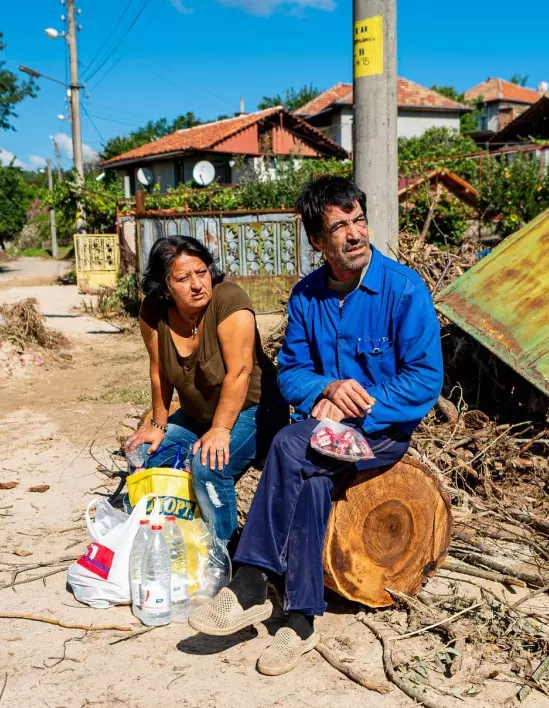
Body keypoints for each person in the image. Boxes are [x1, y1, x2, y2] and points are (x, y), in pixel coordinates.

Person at [189, 176, 444, 676]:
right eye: (339, 227)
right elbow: (291, 372)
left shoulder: (404, 290)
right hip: (323, 436)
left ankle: (251, 579)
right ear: (317, 242)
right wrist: (326, 390)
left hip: (380, 434)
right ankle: (302, 620)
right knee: (311, 477)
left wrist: (360, 404)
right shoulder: (306, 296)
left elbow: (425, 379)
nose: (354, 234)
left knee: (288, 442)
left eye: (359, 220)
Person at [124, 235, 286, 543]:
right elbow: (159, 370)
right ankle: (164, 537)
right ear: (165, 286)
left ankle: (219, 551)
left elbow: (240, 371)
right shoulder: (153, 311)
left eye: (201, 272)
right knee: (145, 455)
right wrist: (158, 423)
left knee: (208, 465)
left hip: (253, 411)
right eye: (183, 278)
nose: (198, 284)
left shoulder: (229, 299)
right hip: (198, 417)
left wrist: (221, 429)